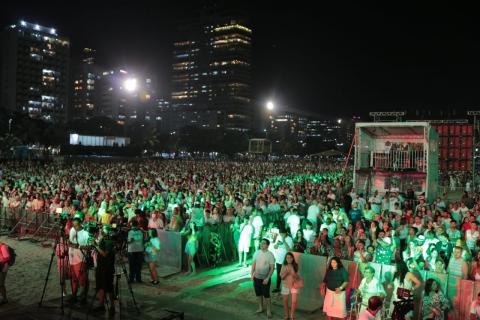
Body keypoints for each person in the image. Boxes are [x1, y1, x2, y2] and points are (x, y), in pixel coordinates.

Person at [92, 224, 116, 314]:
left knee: (109, 287)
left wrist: (96, 246)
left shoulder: (109, 242)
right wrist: (95, 242)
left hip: (107, 268)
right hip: (100, 267)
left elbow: (104, 254)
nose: (100, 232)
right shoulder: (102, 240)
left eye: (102, 230)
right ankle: (101, 305)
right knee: (100, 286)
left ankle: (112, 306)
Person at [251, 238, 275, 318]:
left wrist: (268, 278)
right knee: (258, 294)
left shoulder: (270, 255)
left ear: (267, 245)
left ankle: (268, 310)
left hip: (265, 279)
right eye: (261, 243)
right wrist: (251, 274)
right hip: (256, 277)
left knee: (266, 295)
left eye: (264, 243)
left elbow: (272, 268)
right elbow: (253, 264)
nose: (261, 244)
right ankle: (260, 308)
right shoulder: (256, 253)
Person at [68, 215, 90, 303]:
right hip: (72, 258)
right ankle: (74, 296)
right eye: (73, 225)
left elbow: (90, 247)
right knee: (73, 279)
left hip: (81, 259)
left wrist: (79, 246)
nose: (74, 227)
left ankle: (84, 297)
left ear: (80, 224)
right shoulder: (72, 230)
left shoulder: (86, 233)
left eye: (76, 225)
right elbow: (70, 242)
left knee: (82, 279)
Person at [280, 252, 300, 320]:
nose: (289, 259)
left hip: (294, 285)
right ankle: (287, 315)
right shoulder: (283, 265)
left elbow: (298, 277)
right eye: (287, 258)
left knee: (294, 301)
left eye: (290, 257)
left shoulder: (296, 265)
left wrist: (293, 274)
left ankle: (292, 316)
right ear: (285, 259)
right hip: (285, 285)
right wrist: (286, 273)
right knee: (285, 301)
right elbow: (282, 277)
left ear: (293, 258)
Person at [273, 228, 293, 293]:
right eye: (280, 234)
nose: (281, 235)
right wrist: (277, 244)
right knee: (279, 274)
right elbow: (275, 247)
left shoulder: (289, 239)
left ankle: (287, 288)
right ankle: (277, 287)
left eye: (283, 234)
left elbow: (289, 249)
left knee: (286, 274)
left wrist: (284, 241)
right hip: (278, 259)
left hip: (286, 260)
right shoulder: (278, 237)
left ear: (286, 233)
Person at [0, 241, 10, 305]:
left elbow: (7, 258)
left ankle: (5, 299)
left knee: (1, 284)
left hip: (3, 268)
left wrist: (0, 261)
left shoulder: (2, 246)